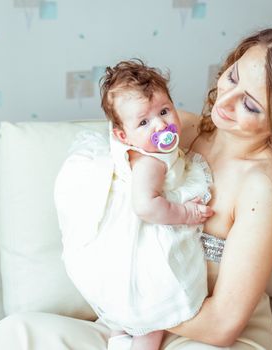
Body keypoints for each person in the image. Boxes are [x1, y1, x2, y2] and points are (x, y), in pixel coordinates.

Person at [0, 24, 272, 349]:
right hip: (134, 323)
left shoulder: (261, 187)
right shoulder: (182, 131)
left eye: (251, 104)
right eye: (232, 77)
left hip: (202, 333)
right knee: (13, 335)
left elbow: (223, 325)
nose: (224, 101)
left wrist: (134, 301)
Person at [56, 59, 214, 350]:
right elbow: (145, 206)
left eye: (165, 111)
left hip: (117, 248)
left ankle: (117, 339)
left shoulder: (149, 147)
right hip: (142, 242)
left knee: (123, 315)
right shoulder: (150, 162)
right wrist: (185, 213)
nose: (161, 124)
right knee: (151, 321)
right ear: (122, 135)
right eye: (144, 122)